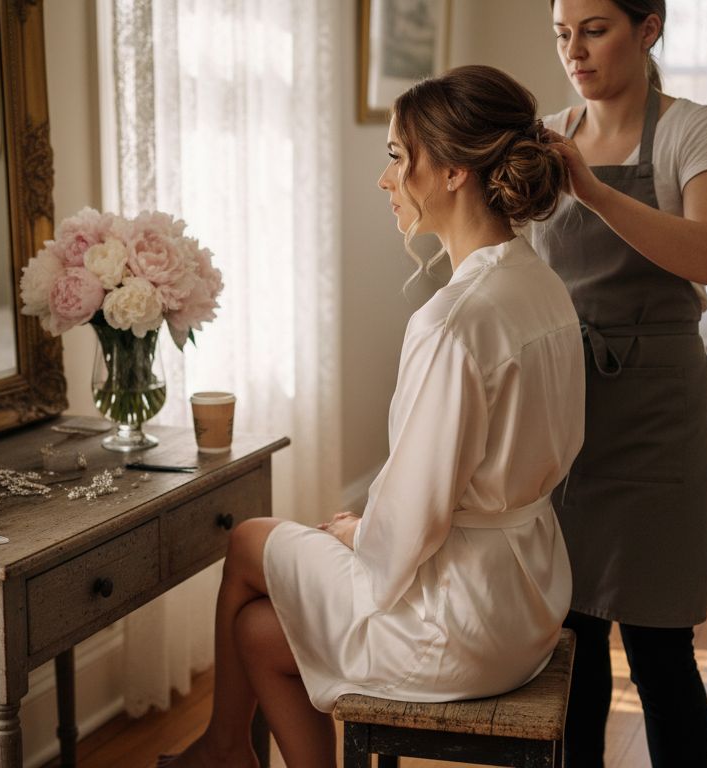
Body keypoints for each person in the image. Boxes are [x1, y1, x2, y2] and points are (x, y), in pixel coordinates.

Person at [163, 65, 586, 768]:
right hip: (531, 599)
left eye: (397, 155)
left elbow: (411, 522)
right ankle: (227, 749)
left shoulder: (454, 321)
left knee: (247, 542)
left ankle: (221, 750)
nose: (385, 178)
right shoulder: (541, 285)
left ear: (452, 171)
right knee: (262, 631)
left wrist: (361, 533)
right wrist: (368, 528)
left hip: (464, 625)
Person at [528, 1, 707, 766]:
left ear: (648, 27)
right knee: (572, 640)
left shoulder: (696, 129)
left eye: (595, 29)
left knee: (660, 647)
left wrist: (591, 189)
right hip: (565, 409)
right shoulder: (548, 135)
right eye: (563, 33)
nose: (574, 52)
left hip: (659, 412)